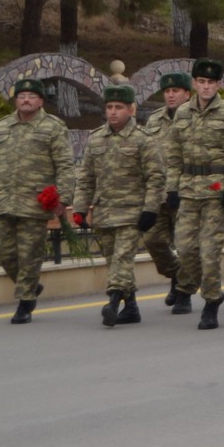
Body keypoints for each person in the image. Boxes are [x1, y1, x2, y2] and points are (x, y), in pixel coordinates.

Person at [0, 78, 76, 324]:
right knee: (4, 253)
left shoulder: (53, 127)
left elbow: (65, 166)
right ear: (16, 100)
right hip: (5, 200)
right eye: (21, 95)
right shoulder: (3, 126)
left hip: (35, 203)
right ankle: (31, 286)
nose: (26, 99)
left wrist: (63, 197)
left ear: (40, 101)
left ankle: (25, 302)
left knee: (30, 255)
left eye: (31, 96)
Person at [162, 59, 224, 329]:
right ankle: (194, 286)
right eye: (201, 82)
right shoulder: (183, 114)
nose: (206, 87)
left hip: (216, 191)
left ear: (219, 84)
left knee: (209, 252)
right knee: (186, 249)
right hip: (188, 190)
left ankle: (211, 301)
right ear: (194, 84)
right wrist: (172, 189)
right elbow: (174, 155)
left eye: (211, 82)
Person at [72, 85, 165, 327]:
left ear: (131, 110)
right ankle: (131, 307)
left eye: (119, 107)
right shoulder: (96, 139)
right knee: (114, 261)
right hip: (105, 213)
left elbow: (156, 178)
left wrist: (150, 210)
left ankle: (112, 303)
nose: (113, 112)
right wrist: (80, 209)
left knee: (122, 259)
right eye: (110, 107)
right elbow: (86, 178)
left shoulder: (143, 140)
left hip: (132, 213)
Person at [140, 71, 189, 303]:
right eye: (167, 91)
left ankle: (183, 292)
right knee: (153, 240)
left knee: (185, 244)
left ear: (187, 94)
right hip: (158, 193)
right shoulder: (154, 119)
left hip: (185, 191)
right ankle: (177, 275)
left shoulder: (193, 118)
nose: (170, 95)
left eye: (175, 91)